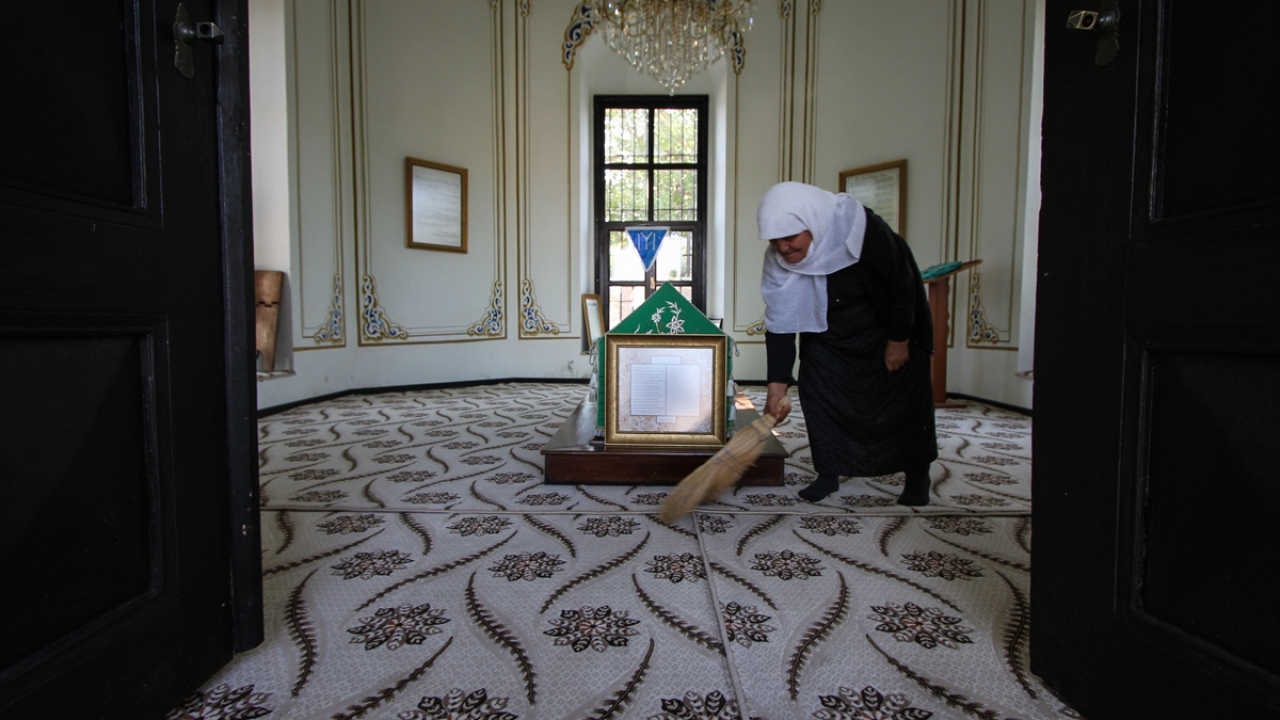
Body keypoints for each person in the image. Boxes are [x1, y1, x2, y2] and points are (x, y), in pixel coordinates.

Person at [758, 181, 937, 505]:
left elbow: (901, 281)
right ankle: (828, 473)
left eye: (790, 237)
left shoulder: (859, 228)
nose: (782, 247)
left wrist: (899, 340)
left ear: (812, 223)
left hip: (887, 322)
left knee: (904, 401)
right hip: (829, 331)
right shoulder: (777, 263)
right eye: (774, 240)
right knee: (819, 393)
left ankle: (917, 475)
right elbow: (780, 323)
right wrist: (777, 386)